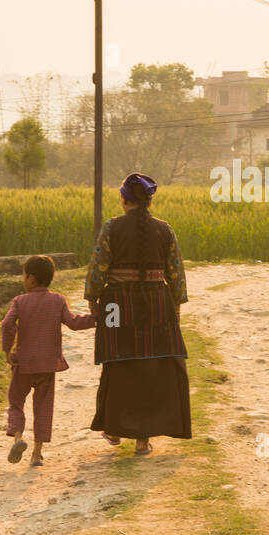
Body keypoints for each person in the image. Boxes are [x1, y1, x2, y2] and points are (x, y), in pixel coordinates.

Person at [85, 173, 191, 455]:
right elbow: (176, 273)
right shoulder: (165, 229)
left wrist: (93, 298)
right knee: (152, 368)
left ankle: (113, 427)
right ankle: (142, 441)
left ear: (124, 200)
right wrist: (176, 305)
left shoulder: (111, 228)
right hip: (158, 302)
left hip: (114, 307)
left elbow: (98, 270)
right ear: (148, 200)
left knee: (116, 361)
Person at [1, 254, 95, 467]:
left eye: (24, 276)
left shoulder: (20, 301)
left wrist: (8, 350)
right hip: (47, 365)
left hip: (23, 364)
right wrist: (97, 318)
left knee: (16, 402)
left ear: (31, 279)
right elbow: (73, 322)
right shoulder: (58, 300)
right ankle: (36, 454)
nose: (23, 280)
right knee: (43, 407)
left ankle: (18, 438)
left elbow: (7, 324)